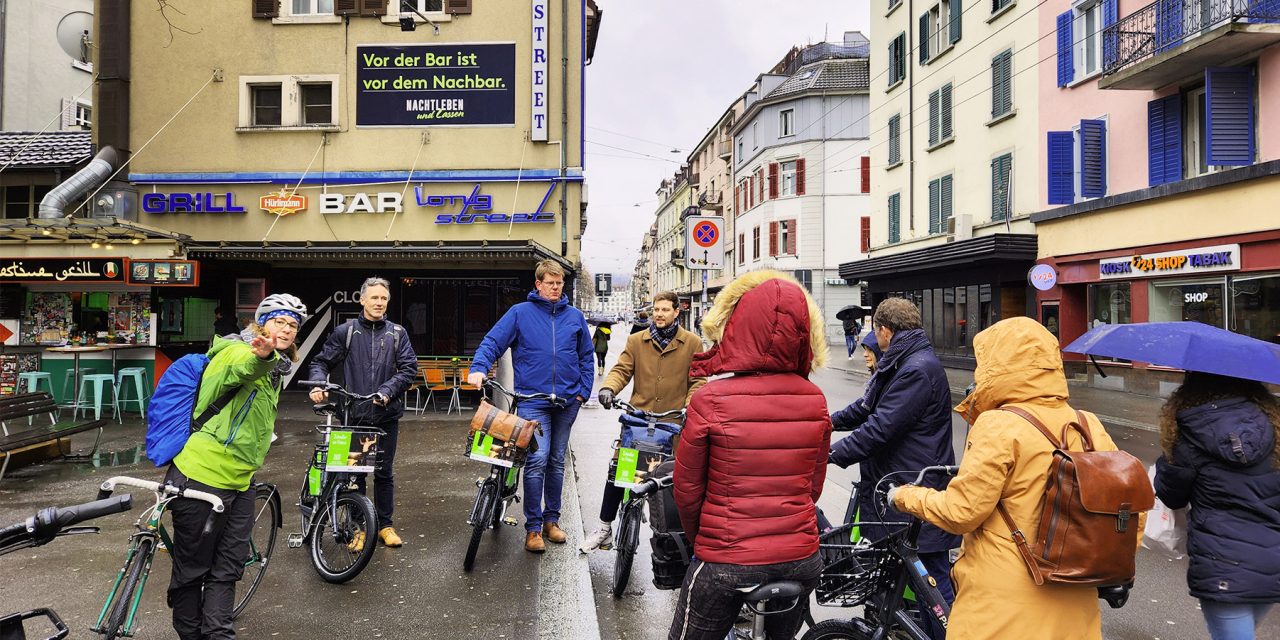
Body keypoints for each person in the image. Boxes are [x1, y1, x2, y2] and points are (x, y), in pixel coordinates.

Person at [889, 316, 1131, 639]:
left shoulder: (999, 425)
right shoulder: (1088, 425)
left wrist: (905, 496)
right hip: (1075, 602)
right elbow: (1126, 513)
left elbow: (961, 512)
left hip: (1003, 608)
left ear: (996, 366)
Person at [668, 270, 831, 640]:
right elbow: (813, 487)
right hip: (801, 558)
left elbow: (687, 489)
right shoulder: (815, 399)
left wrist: (703, 543)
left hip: (727, 558)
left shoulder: (710, 399)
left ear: (737, 326)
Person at [167, 293, 307, 640]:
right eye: (279, 321)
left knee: (228, 568)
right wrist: (260, 357)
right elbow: (242, 369)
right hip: (201, 475)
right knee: (193, 569)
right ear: (261, 323)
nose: (286, 329)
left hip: (241, 480)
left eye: (292, 325)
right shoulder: (237, 351)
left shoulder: (276, 367)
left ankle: (218, 634)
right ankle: (190, 633)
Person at [827, 298, 959, 639]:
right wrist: (824, 424)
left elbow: (881, 428)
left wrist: (830, 455)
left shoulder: (915, 368)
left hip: (915, 485)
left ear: (885, 330)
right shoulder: (902, 360)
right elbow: (865, 407)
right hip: (902, 484)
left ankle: (950, 634)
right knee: (914, 573)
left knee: (931, 577)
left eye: (876, 331)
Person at [467, 259, 595, 553]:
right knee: (538, 460)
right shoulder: (520, 313)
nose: (555, 287)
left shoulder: (574, 317)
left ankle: (553, 521)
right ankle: (534, 528)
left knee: (557, 461)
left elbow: (586, 357)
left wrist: (582, 392)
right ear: (538, 284)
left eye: (559, 283)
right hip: (532, 401)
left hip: (566, 401)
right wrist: (479, 367)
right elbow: (492, 342)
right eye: (549, 282)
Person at [1154, 371, 1280, 640]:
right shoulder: (1274, 428)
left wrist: (1169, 461)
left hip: (1222, 563)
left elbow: (1172, 496)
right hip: (1273, 562)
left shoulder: (1190, 434)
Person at [580, 290, 705, 553]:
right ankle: (604, 528)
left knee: (672, 485)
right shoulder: (637, 340)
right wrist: (609, 389)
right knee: (619, 473)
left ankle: (677, 543)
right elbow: (622, 369)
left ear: (676, 311)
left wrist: (690, 404)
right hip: (638, 423)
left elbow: (698, 380)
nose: (659, 314)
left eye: (664, 310)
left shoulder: (692, 343)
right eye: (656, 309)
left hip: (673, 425)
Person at [308, 277, 418, 549]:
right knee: (354, 474)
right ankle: (359, 528)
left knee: (384, 472)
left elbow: (408, 369)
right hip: (352, 415)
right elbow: (320, 361)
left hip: (386, 415)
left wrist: (387, 391)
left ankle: (385, 526)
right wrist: (318, 382)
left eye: (383, 298)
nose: (379, 303)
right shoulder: (346, 332)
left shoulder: (397, 333)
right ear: (362, 300)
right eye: (374, 298)